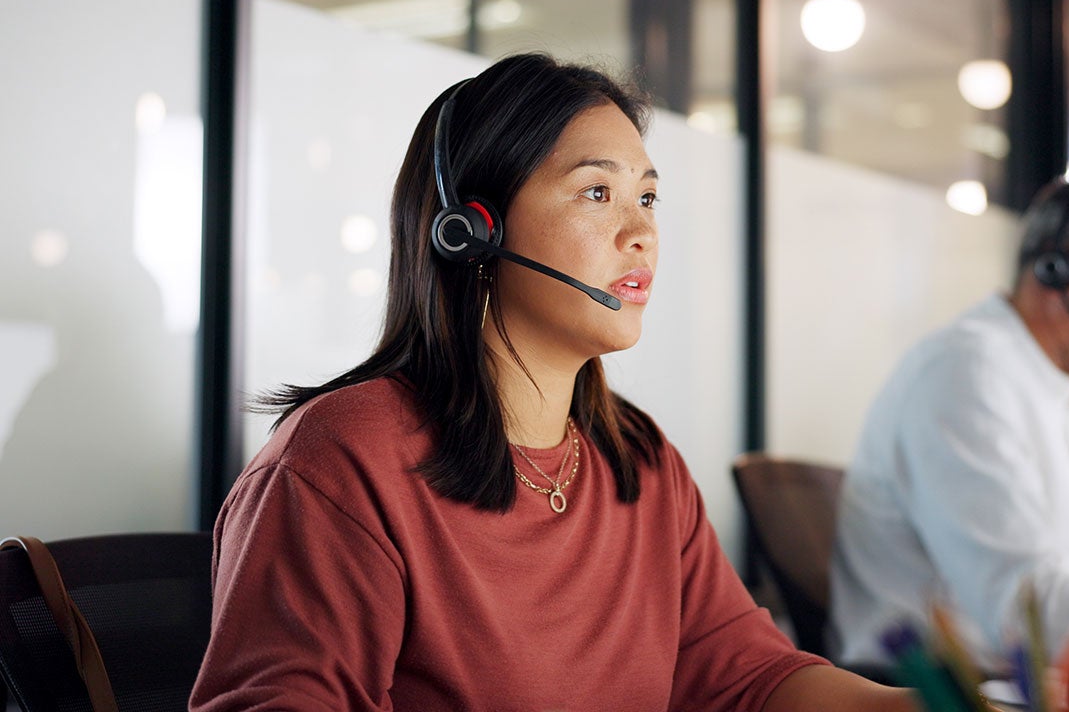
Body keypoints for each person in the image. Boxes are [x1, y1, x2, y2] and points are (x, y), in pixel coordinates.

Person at [189, 53, 917, 712]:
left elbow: (748, 676)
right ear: (473, 230)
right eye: (596, 193)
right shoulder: (345, 458)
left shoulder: (639, 460)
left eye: (648, 198)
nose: (641, 233)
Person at [827, 180, 1069, 677]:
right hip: (929, 690)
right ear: (1055, 273)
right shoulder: (966, 372)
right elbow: (1021, 612)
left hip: (1023, 682)